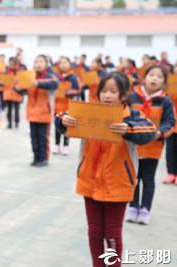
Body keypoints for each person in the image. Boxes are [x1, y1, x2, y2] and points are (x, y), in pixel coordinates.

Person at [56, 72, 156, 267]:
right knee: (94, 231)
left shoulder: (132, 116)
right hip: (89, 181)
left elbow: (150, 130)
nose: (107, 95)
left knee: (112, 233)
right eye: (104, 91)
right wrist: (63, 120)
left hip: (117, 184)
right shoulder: (90, 112)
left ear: (123, 95)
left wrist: (128, 129)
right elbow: (62, 118)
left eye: (113, 91)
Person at [127, 65, 176, 225]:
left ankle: (146, 208)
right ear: (145, 77)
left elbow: (169, 121)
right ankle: (133, 206)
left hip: (152, 147)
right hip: (132, 146)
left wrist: (159, 133)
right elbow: (124, 115)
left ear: (164, 82)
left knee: (148, 179)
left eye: (159, 77)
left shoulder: (165, 101)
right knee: (133, 177)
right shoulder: (132, 97)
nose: (154, 78)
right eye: (151, 75)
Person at [17, 55, 58, 167]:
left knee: (43, 138)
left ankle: (43, 159)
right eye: (36, 62)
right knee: (34, 138)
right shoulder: (30, 76)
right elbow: (24, 90)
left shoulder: (50, 76)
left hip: (44, 113)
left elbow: (54, 84)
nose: (38, 64)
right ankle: (36, 158)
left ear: (46, 64)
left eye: (41, 62)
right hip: (32, 112)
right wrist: (19, 88)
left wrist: (37, 83)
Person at [53, 56, 80, 156]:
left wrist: (69, 92)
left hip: (68, 106)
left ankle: (66, 145)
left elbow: (78, 90)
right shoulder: (56, 76)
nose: (63, 65)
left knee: (67, 126)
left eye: (65, 62)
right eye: (61, 63)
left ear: (69, 64)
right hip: (56, 105)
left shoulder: (73, 77)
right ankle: (56, 144)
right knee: (57, 125)